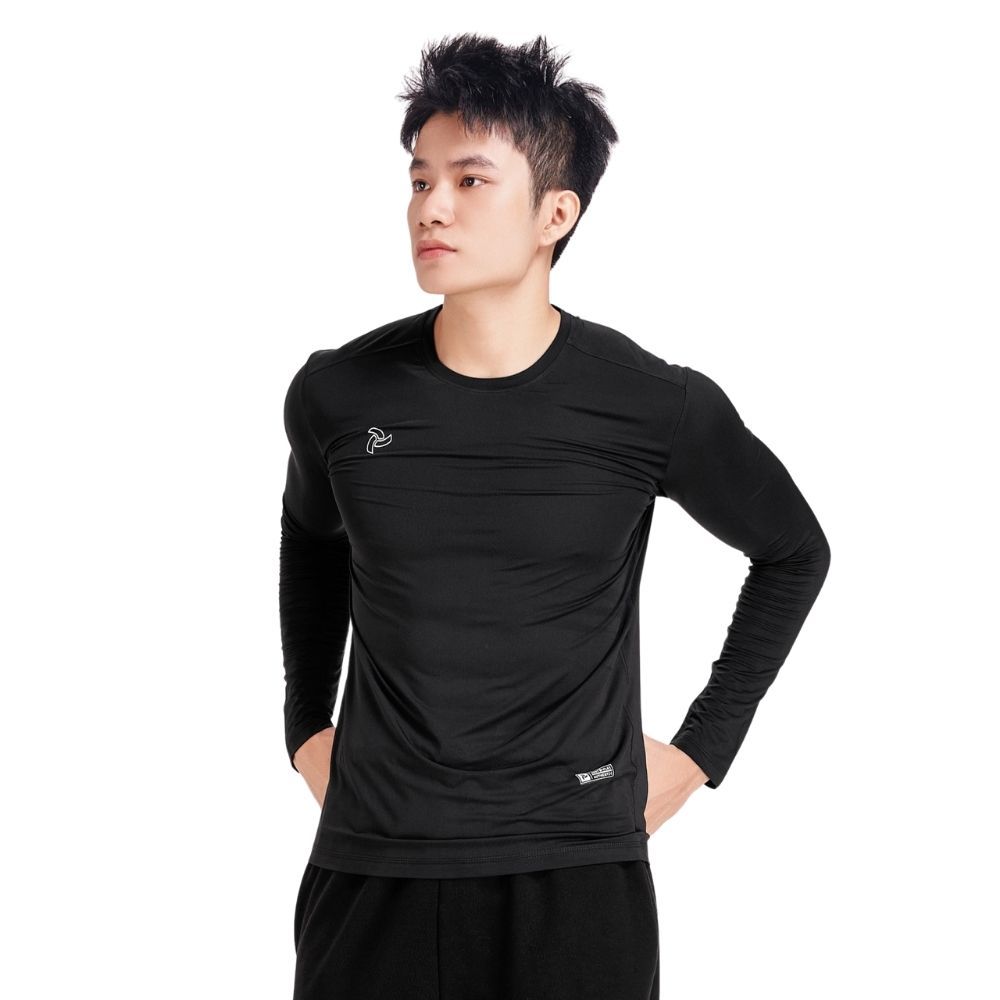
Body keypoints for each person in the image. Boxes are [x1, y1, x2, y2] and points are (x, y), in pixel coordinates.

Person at [279, 32, 831, 1000]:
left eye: (470, 180)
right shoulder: (338, 392)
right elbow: (312, 542)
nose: (431, 206)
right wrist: (304, 725)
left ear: (555, 212)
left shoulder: (652, 403)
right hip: (373, 864)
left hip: (574, 876)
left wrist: (702, 749)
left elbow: (793, 551)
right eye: (420, 179)